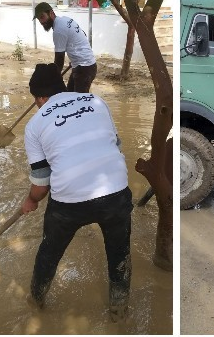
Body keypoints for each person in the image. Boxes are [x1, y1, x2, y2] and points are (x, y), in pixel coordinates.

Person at [20, 63, 133, 317]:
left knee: (49, 253)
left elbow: (41, 182)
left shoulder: (34, 125)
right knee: (120, 255)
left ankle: (36, 301)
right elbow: (116, 144)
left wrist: (30, 201)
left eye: (36, 101)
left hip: (68, 203)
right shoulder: (96, 101)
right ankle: (119, 311)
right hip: (116, 191)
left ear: (40, 98)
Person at [33, 2, 97, 92]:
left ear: (51, 13)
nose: (41, 22)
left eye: (42, 17)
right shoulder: (65, 20)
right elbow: (82, 35)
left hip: (84, 68)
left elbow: (59, 60)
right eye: (39, 19)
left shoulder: (58, 30)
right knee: (69, 95)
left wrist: (53, 80)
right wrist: (75, 59)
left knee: (78, 102)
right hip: (82, 65)